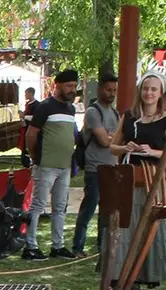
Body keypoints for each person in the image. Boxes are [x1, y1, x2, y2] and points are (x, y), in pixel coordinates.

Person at [103, 72, 166, 290]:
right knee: (125, 223)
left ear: (160, 93)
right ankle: (118, 275)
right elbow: (113, 146)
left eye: (153, 89)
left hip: (153, 180)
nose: (149, 93)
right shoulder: (130, 116)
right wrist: (126, 148)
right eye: (146, 88)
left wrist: (152, 151)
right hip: (128, 177)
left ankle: (147, 274)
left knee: (148, 223)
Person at [23, 69, 80, 261]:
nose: (72, 90)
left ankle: (58, 245)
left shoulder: (71, 109)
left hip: (64, 166)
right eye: (69, 86)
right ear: (57, 85)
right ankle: (30, 246)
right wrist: (35, 157)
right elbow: (31, 135)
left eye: (74, 86)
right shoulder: (45, 107)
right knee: (38, 205)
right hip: (46, 165)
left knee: (60, 206)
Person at [71, 73, 120, 257]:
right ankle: (78, 247)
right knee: (89, 208)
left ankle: (102, 247)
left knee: (107, 212)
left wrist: (111, 136)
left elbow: (118, 137)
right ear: (100, 89)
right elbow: (104, 141)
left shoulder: (115, 112)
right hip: (95, 168)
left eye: (114, 90)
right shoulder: (93, 112)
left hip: (111, 167)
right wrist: (111, 137)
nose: (111, 93)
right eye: (108, 90)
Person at [19, 87, 38, 168]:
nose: (25, 95)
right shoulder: (28, 104)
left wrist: (24, 116)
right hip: (25, 128)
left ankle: (31, 161)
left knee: (29, 144)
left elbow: (36, 117)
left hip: (32, 129)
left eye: (26, 93)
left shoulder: (37, 105)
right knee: (24, 144)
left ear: (30, 93)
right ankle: (25, 162)